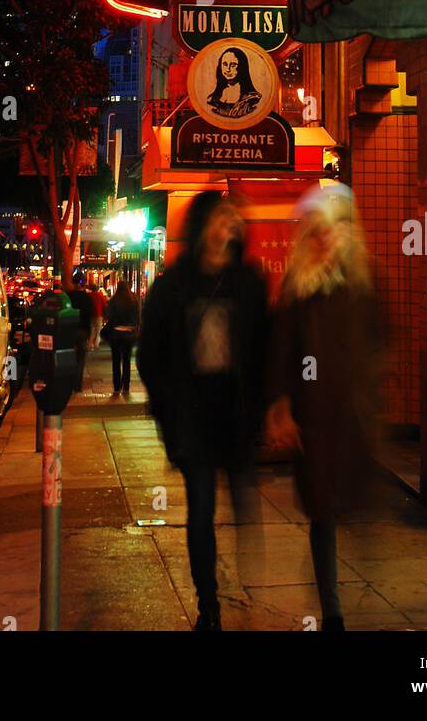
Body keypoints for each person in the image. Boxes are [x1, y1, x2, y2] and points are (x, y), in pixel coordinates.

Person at [138, 192, 268, 632]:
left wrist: (265, 406)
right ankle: (208, 601)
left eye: (232, 219)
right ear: (203, 226)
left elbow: (263, 350)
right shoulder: (173, 285)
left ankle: (250, 579)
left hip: (235, 413)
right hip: (192, 417)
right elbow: (149, 355)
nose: (228, 226)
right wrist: (166, 410)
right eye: (219, 218)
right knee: (201, 512)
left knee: (246, 501)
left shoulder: (248, 282)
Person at [266, 184, 381, 633]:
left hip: (351, 419)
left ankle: (340, 598)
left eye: (333, 232)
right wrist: (280, 407)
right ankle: (332, 610)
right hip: (314, 419)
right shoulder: (296, 292)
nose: (327, 240)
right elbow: (280, 355)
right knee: (322, 514)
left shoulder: (362, 287)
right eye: (318, 233)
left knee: (351, 507)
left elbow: (378, 344)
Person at [104, 281, 139, 397]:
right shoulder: (133, 300)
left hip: (116, 333)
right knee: (127, 360)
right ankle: (126, 386)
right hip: (129, 334)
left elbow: (108, 315)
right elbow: (138, 317)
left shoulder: (114, 300)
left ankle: (117, 386)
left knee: (116, 360)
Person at [207, 47, 262, 120]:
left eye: (233, 65)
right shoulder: (212, 99)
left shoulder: (252, 99)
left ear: (242, 66)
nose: (228, 69)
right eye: (225, 64)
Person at [67, 272, 95, 393]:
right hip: (83, 330)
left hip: (69, 331)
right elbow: (91, 315)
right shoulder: (87, 298)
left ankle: (69, 382)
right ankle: (77, 385)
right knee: (80, 359)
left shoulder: (68, 296)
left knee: (69, 357)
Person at [89, 285, 106, 350]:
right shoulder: (100, 295)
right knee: (98, 330)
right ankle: (96, 344)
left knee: (92, 330)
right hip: (99, 315)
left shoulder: (89, 295)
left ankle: (90, 345)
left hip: (91, 315)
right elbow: (104, 305)